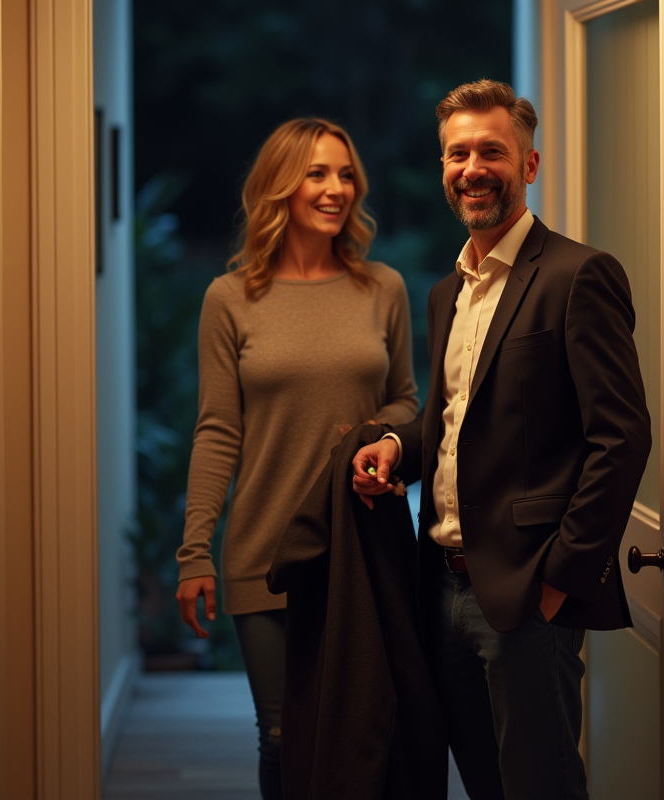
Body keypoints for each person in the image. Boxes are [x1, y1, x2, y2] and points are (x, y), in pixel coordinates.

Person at [351, 79, 652, 800]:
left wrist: (561, 577)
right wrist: (398, 446)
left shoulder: (579, 275)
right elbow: (457, 417)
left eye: (492, 151)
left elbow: (622, 435)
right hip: (442, 588)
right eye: (458, 154)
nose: (473, 168)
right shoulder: (447, 291)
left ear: (530, 164)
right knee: (485, 785)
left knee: (540, 786)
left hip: (525, 594)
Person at [176, 117, 419, 800]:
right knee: (283, 734)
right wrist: (195, 552)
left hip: (363, 546)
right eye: (317, 173)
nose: (336, 188)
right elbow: (218, 429)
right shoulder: (230, 299)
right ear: (279, 187)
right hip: (264, 545)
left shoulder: (383, 288)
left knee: (369, 727)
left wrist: (376, 434)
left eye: (345, 174)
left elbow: (406, 401)